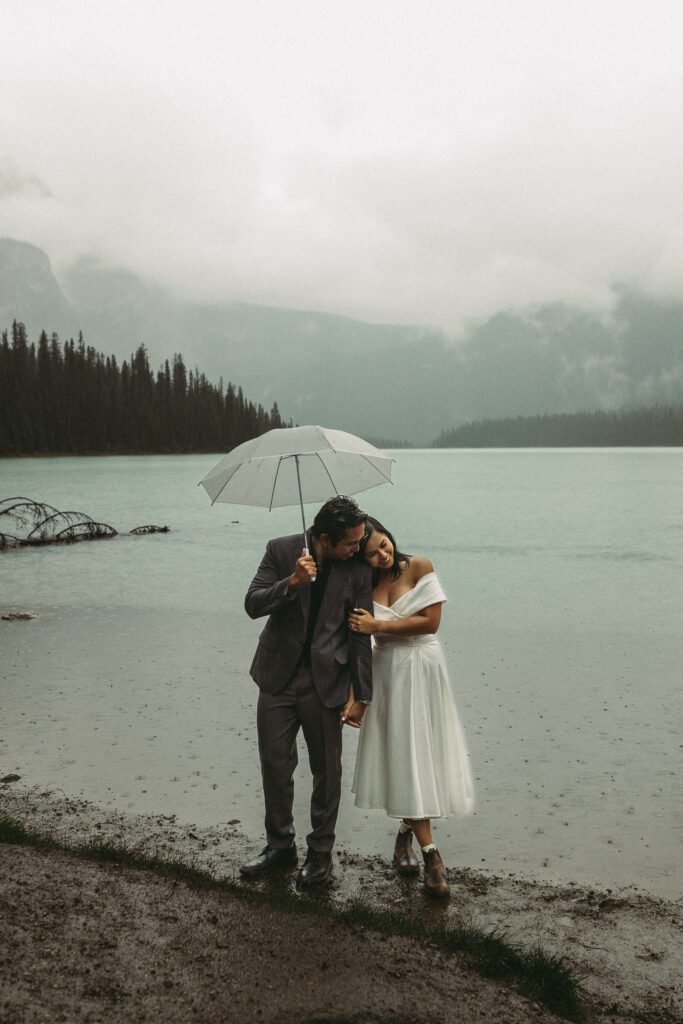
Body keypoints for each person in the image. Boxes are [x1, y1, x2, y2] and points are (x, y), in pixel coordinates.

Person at [241, 496, 373, 886]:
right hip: (276, 677)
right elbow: (252, 604)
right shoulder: (280, 550)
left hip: (327, 683)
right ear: (325, 538)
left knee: (327, 772)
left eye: (360, 540)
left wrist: (361, 696)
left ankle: (320, 853)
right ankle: (280, 847)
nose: (357, 547)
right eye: (351, 542)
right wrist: (292, 582)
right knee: (275, 765)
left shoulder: (359, 570)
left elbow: (360, 636)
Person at [349, 517, 474, 897]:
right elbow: (354, 639)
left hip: (422, 666)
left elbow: (431, 623)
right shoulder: (362, 585)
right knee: (405, 756)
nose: (382, 555)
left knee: (423, 755)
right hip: (386, 672)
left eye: (383, 545)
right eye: (371, 554)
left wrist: (378, 628)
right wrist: (357, 695)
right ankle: (417, 843)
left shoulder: (419, 566)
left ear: (390, 536)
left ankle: (424, 849)